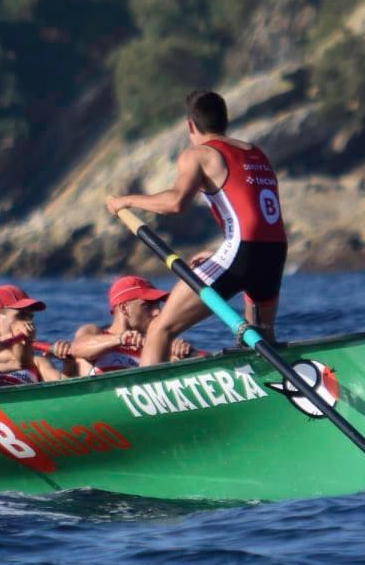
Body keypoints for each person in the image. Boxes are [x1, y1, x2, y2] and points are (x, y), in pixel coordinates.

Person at [106, 89, 288, 362]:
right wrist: (221, 253)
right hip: (274, 252)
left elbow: (176, 203)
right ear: (224, 120)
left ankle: (145, 399)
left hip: (241, 251)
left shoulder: (199, 154)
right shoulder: (257, 154)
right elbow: (252, 216)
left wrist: (126, 201)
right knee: (261, 340)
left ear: (191, 125)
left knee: (160, 328)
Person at [67, 275, 199, 374]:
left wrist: (182, 356)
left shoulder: (156, 343)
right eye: (147, 305)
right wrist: (120, 339)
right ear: (124, 309)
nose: (157, 312)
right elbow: (77, 348)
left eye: (157, 305)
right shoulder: (94, 331)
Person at [0, 284, 70, 382]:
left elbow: (68, 389)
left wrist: (68, 364)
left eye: (30, 317)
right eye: (21, 316)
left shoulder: (37, 363)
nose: (28, 323)